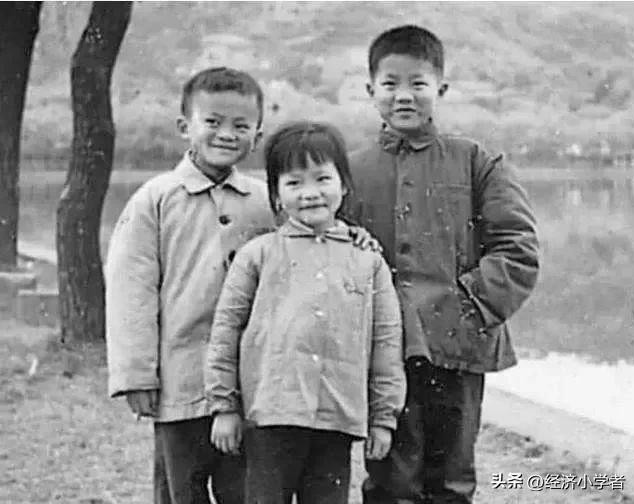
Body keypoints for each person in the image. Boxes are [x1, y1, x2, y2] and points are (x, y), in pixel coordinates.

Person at [106, 67, 381, 504]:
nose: (226, 134)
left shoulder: (266, 200)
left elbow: (308, 239)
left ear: (257, 135)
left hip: (251, 387)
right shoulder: (154, 200)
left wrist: (351, 237)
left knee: (242, 489)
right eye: (213, 122)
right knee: (180, 489)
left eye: (240, 125)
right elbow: (130, 294)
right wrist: (136, 374)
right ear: (185, 126)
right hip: (179, 379)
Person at [341, 25, 540, 504]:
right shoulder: (349, 171)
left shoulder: (476, 161)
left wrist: (468, 304)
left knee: (452, 479)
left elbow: (518, 248)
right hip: (382, 349)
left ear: (441, 89)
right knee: (389, 478)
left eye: (418, 84)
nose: (403, 96)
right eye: (390, 84)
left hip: (459, 341)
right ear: (370, 90)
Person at [205, 121, 407, 504]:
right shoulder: (257, 255)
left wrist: (384, 418)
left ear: (344, 185)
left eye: (322, 179)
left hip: (337, 417)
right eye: (294, 183)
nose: (310, 193)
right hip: (269, 415)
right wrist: (224, 406)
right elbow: (226, 331)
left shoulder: (368, 260)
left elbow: (386, 343)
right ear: (276, 194)